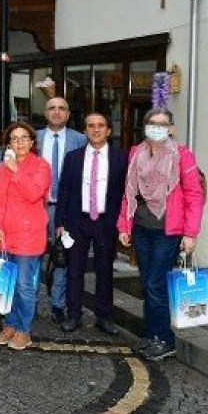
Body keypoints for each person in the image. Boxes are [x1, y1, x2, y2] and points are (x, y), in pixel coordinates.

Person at [118, 109, 205, 361]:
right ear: (145, 126)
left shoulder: (182, 156)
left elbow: (194, 195)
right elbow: (128, 192)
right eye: (152, 123)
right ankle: (151, 335)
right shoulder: (136, 153)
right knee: (148, 284)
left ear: (171, 129)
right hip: (143, 228)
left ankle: (165, 340)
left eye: (162, 124)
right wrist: (124, 225)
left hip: (168, 230)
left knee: (156, 284)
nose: (156, 127)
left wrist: (191, 233)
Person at [54, 113, 128, 336]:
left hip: (106, 221)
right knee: (74, 269)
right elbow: (64, 190)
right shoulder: (73, 157)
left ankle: (104, 317)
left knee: (105, 271)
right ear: (85, 130)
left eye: (100, 126)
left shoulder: (121, 158)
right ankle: (73, 314)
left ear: (108, 130)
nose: (95, 130)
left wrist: (124, 223)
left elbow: (126, 192)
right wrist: (59, 222)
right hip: (77, 220)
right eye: (91, 126)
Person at [0, 122, 51, 351]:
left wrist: (16, 169)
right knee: (8, 283)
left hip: (28, 237)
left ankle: (24, 329)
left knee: (24, 285)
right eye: (15, 138)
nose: (20, 142)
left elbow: (34, 193)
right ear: (9, 143)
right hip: (3, 237)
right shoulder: (2, 169)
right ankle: (10, 324)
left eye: (24, 138)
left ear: (32, 143)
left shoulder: (41, 166)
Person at [38, 97, 86, 324]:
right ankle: (31, 302)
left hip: (67, 210)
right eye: (52, 108)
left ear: (68, 114)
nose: (57, 112)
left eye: (62, 108)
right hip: (37, 207)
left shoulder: (80, 140)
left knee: (61, 257)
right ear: (45, 113)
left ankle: (57, 304)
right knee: (32, 257)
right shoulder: (32, 138)